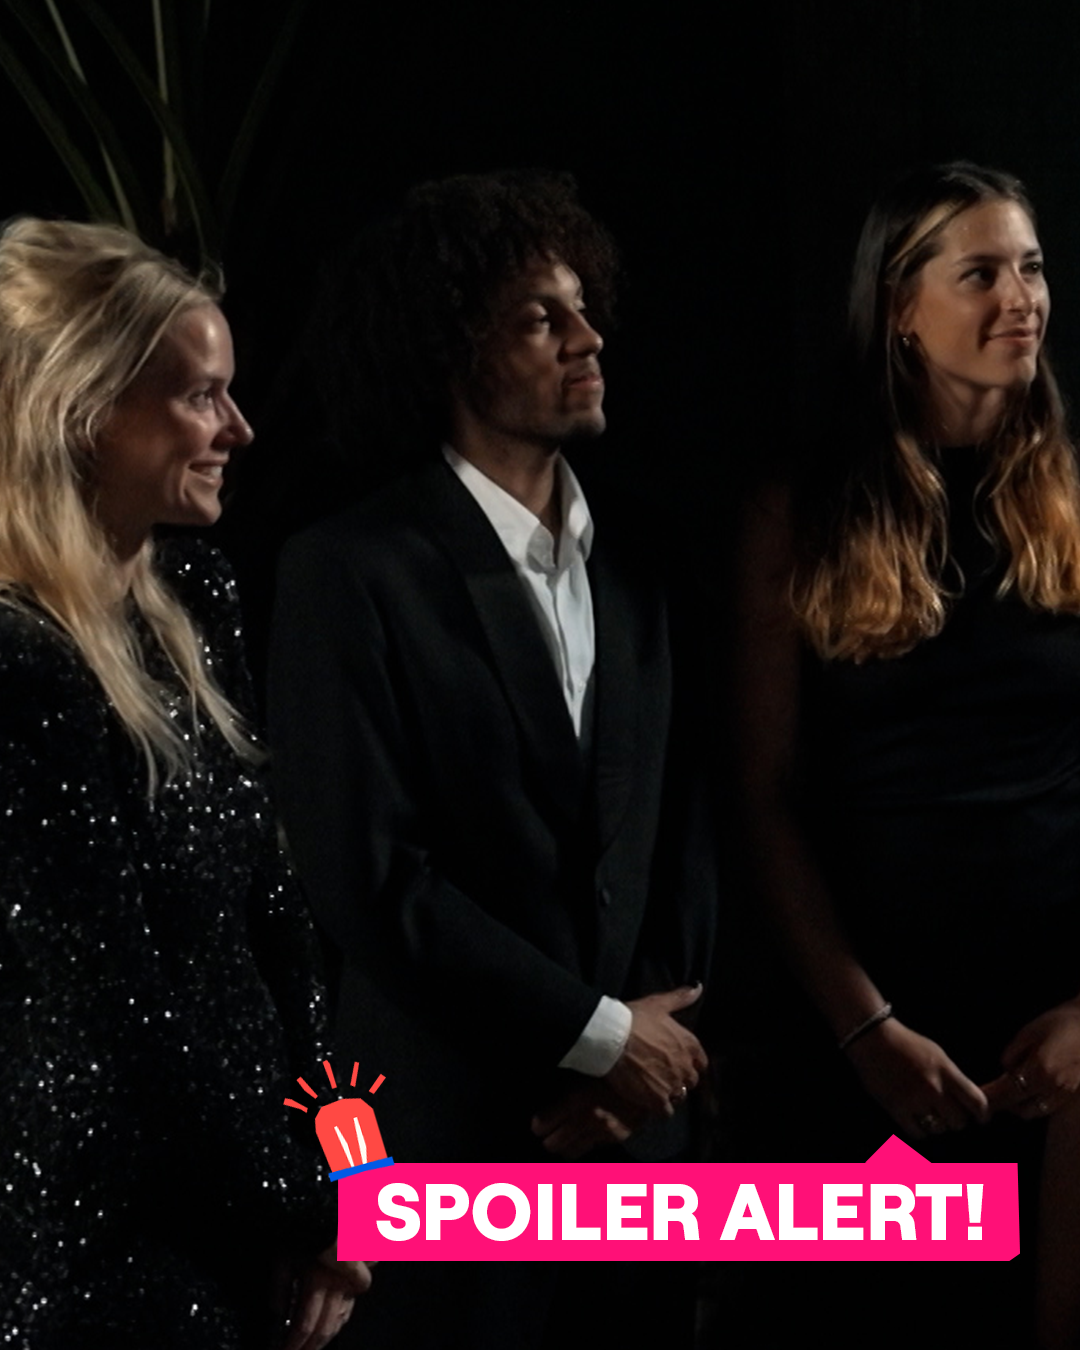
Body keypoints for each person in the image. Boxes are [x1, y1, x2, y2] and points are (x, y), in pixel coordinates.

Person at [269, 170, 715, 1346]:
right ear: (452, 351)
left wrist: (640, 1065)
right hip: (446, 1146)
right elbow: (369, 878)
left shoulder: (641, 565)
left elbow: (682, 831)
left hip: (636, 1158)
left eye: (584, 309)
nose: (588, 338)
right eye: (539, 319)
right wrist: (597, 1037)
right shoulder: (348, 571)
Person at [0, 217, 370, 1349]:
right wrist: (304, 1209)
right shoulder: (19, 664)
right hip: (107, 1246)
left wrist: (353, 1179)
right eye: (202, 395)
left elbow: (280, 928)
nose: (239, 428)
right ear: (84, 412)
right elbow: (111, 1009)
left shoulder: (199, 594)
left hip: (264, 1213)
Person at [736, 161, 1080, 1346]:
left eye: (1031, 267)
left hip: (1056, 1028)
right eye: (980, 273)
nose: (1021, 298)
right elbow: (765, 796)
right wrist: (864, 1028)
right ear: (898, 307)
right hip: (872, 1027)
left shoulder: (1072, 500)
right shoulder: (800, 510)